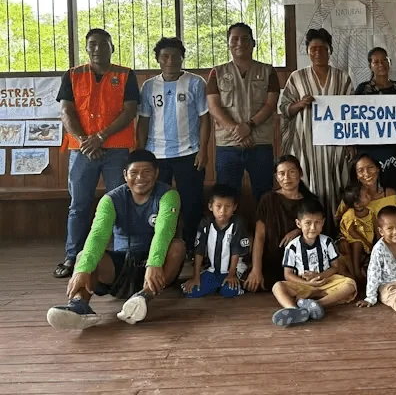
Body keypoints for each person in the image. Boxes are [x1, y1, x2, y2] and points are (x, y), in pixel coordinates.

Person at [46, 149, 185, 330]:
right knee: (83, 257)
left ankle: (143, 297)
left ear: (157, 173)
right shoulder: (110, 199)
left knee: (178, 247)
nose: (140, 178)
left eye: (147, 172)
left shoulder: (169, 195)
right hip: (123, 265)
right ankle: (79, 306)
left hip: (157, 269)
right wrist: (82, 270)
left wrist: (154, 263)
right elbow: (97, 235)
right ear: (125, 175)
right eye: (134, 173)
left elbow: (164, 232)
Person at [54, 28, 139, 279]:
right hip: (82, 151)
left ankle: (123, 255)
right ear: (86, 47)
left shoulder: (125, 75)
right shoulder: (72, 75)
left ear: (112, 48)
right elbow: (66, 112)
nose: (98, 48)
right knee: (78, 205)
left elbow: (130, 111)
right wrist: (84, 141)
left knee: (119, 203)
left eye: (104, 44)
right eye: (92, 44)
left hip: (116, 150)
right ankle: (73, 257)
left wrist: (100, 137)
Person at [137, 37, 210, 254]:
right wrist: (141, 152)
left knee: (192, 202)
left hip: (189, 152)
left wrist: (203, 150)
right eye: (165, 56)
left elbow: (205, 118)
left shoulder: (196, 83)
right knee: (157, 204)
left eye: (175, 56)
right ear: (158, 59)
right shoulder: (149, 86)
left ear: (182, 58)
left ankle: (191, 246)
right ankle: (157, 246)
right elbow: (143, 120)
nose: (170, 61)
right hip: (156, 154)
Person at [279, 28, 353, 227]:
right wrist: (299, 104)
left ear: (330, 50)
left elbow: (353, 112)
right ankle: (310, 232)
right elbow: (284, 108)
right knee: (308, 186)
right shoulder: (297, 77)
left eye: (322, 48)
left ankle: (336, 232)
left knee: (337, 186)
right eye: (313, 49)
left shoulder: (342, 78)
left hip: (335, 145)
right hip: (306, 144)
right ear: (307, 51)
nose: (317, 52)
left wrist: (350, 143)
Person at [207, 22, 279, 202]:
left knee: (264, 194)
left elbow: (271, 105)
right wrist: (237, 130)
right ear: (228, 43)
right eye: (235, 39)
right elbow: (214, 107)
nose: (240, 43)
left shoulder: (268, 71)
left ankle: (263, 230)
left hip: (260, 143)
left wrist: (249, 126)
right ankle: (231, 231)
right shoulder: (217, 73)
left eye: (245, 39)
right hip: (228, 145)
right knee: (226, 195)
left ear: (253, 43)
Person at [272, 198, 357, 326]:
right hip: (302, 285)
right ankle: (294, 310)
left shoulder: (327, 242)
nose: (313, 227)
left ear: (323, 223)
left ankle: (317, 305)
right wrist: (307, 282)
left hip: (325, 282)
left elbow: (335, 267)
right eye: (308, 223)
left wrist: (319, 277)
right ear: (298, 224)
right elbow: (288, 274)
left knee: (350, 284)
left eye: (317, 222)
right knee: (277, 286)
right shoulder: (292, 247)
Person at [243, 155, 320, 292]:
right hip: (272, 261)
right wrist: (256, 269)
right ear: (276, 177)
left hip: (301, 263)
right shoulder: (268, 199)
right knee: (252, 285)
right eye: (281, 173)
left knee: (308, 284)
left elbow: (319, 230)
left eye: (292, 172)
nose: (286, 177)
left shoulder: (311, 201)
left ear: (300, 173)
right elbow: (259, 236)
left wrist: (299, 230)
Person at [353, 47, 396, 192]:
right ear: (370, 65)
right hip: (371, 146)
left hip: (394, 145)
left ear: (390, 62)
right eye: (376, 62)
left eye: (384, 60)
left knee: (393, 183)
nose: (381, 64)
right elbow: (353, 118)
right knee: (371, 184)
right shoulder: (362, 89)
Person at [182, 184, 247, 299]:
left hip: (231, 270)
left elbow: (236, 252)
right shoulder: (205, 224)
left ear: (235, 207)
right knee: (192, 292)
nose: (223, 211)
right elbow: (199, 251)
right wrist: (196, 277)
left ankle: (232, 286)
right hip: (212, 270)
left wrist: (231, 275)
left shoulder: (237, 224)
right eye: (218, 206)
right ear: (211, 206)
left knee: (229, 291)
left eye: (228, 206)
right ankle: (214, 284)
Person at [336, 153, 396, 221]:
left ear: (377, 169)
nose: (367, 174)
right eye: (360, 171)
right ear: (356, 175)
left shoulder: (390, 194)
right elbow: (340, 221)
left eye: (370, 167)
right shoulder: (351, 197)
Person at [338, 184, 376, 282]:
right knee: (357, 244)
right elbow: (352, 232)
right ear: (357, 204)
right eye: (366, 195)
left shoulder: (370, 211)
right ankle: (356, 271)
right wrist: (366, 242)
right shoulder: (350, 214)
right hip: (352, 238)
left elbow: (375, 226)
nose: (369, 195)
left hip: (367, 238)